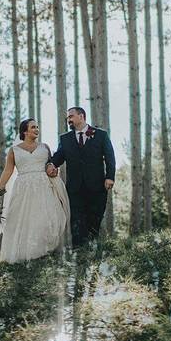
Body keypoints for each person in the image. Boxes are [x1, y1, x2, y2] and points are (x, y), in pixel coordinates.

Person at [0, 118, 70, 263]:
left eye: (37, 127)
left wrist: (52, 169)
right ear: (25, 131)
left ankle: (44, 251)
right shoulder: (14, 150)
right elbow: (7, 171)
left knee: (46, 218)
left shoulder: (45, 147)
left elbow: (50, 165)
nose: (37, 129)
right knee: (22, 219)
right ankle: (25, 253)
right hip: (23, 187)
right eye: (33, 127)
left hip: (44, 186)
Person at [46, 106, 116, 247]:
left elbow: (110, 157)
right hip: (75, 188)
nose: (68, 120)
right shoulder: (65, 139)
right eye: (67, 118)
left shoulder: (101, 135)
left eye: (71, 116)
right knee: (77, 221)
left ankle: (93, 250)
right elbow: (59, 156)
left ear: (82, 116)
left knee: (94, 219)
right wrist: (51, 164)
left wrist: (110, 177)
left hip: (97, 186)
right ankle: (78, 254)